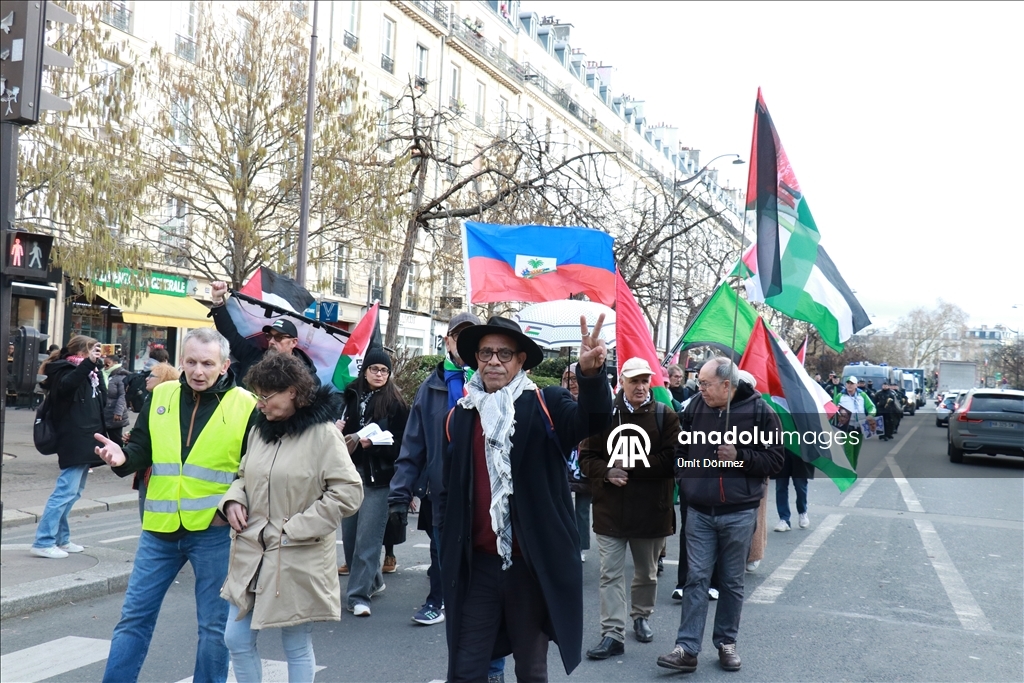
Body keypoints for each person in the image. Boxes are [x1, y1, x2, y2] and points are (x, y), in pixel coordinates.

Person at [439, 315, 613, 682]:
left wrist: (592, 376)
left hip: (529, 565)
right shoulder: (462, 414)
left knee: (531, 669)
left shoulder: (546, 402)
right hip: (479, 566)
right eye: (486, 353)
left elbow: (592, 421)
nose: (494, 361)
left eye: (504, 353)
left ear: (521, 360)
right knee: (465, 667)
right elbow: (450, 490)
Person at [94, 328, 259, 683]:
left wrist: (236, 499)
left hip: (213, 532)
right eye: (191, 362)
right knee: (133, 618)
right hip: (159, 529)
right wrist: (122, 457)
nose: (198, 371)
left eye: (207, 363)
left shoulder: (246, 404)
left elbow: (255, 469)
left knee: (214, 628)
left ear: (225, 365)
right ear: (181, 361)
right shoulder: (162, 395)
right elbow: (142, 450)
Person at [220, 353, 363, 682]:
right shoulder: (260, 430)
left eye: (266, 396)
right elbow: (243, 476)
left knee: (296, 643)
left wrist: (293, 529)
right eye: (257, 395)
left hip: (298, 555)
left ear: (292, 392)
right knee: (236, 638)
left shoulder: (324, 435)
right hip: (252, 550)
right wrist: (232, 501)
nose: (260, 405)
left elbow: (348, 493)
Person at [658, 357, 784, 674]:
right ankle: (686, 649)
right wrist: (685, 478)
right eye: (698, 383)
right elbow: (680, 448)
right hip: (699, 511)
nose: (700, 389)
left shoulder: (761, 413)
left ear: (726, 385)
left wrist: (739, 456)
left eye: (705, 383)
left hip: (739, 513)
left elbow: (775, 461)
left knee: (731, 581)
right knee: (696, 579)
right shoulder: (695, 408)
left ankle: (726, 643)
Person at [579, 357, 679, 660]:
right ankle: (612, 634)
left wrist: (631, 465)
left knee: (647, 574)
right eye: (634, 380)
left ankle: (641, 615)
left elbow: (672, 460)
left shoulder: (665, 415)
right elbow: (586, 458)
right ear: (621, 381)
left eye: (644, 380)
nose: (640, 386)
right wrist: (608, 470)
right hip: (611, 510)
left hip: (652, 511)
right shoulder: (603, 415)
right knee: (609, 575)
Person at [388, 312, 481, 626]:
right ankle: (438, 600)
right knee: (442, 551)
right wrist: (399, 495)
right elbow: (414, 445)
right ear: (448, 341)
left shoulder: (493, 381)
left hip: (484, 490)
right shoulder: (431, 388)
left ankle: (476, 605)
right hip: (443, 489)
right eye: (460, 337)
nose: (466, 345)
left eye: (473, 337)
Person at [339, 347, 409, 617]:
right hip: (348, 475)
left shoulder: (396, 403)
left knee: (368, 539)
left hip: (379, 479)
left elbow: (403, 443)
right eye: (374, 369)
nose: (379, 374)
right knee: (349, 538)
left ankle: (358, 596)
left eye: (384, 370)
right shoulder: (350, 396)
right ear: (364, 370)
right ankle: (375, 581)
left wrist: (373, 444)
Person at [30, 336, 107, 559]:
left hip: (87, 437)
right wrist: (89, 365)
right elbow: (66, 387)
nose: (96, 354)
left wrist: (96, 367)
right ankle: (43, 541)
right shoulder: (63, 369)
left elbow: (101, 400)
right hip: (73, 437)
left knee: (74, 493)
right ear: (82, 352)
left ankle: (61, 539)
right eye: (92, 350)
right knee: (65, 492)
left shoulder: (90, 371)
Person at [208, 281, 318, 382]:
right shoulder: (253, 357)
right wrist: (217, 301)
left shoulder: (306, 376)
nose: (272, 341)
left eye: (279, 337)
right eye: (269, 336)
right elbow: (230, 335)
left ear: (293, 342)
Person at [131, 361, 183, 521]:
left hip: (155, 471)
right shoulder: (150, 399)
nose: (147, 379)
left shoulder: (167, 401)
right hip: (148, 467)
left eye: (152, 376)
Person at [562, 362, 593, 564]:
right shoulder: (558, 400)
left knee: (582, 509)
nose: (571, 383)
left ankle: (581, 545)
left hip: (584, 462)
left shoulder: (590, 401)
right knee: (562, 505)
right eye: (567, 379)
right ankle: (564, 543)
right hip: (564, 460)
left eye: (574, 379)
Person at [833, 375, 875, 470]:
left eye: (852, 383)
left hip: (860, 427)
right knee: (848, 451)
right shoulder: (840, 396)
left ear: (856, 385)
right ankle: (850, 474)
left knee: (856, 453)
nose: (850, 385)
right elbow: (833, 408)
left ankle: (853, 470)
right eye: (848, 383)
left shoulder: (862, 395)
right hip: (846, 428)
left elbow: (872, 407)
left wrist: (871, 415)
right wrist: (838, 412)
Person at [102, 355, 131, 445]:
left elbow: (123, 395)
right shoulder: (103, 374)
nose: (105, 366)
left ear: (115, 363)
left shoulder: (121, 376)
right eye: (104, 364)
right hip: (103, 412)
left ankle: (122, 456)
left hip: (114, 413)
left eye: (107, 363)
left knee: (116, 438)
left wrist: (118, 412)